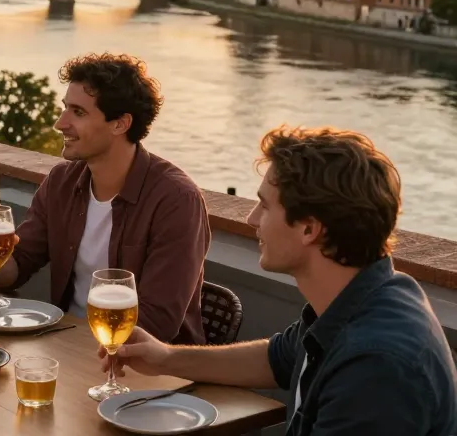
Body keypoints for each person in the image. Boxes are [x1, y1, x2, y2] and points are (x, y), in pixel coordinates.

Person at [105, 127, 457, 435]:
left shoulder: (377, 365)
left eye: (265, 206)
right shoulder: (362, 298)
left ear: (309, 229)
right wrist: (165, 357)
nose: (252, 218)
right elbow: (276, 359)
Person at [0, 53, 210, 344]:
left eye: (78, 113)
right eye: (65, 108)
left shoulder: (176, 200)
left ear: (120, 124)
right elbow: (19, 268)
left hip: (145, 371)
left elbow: (157, 324)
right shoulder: (61, 183)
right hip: (68, 349)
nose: (60, 123)